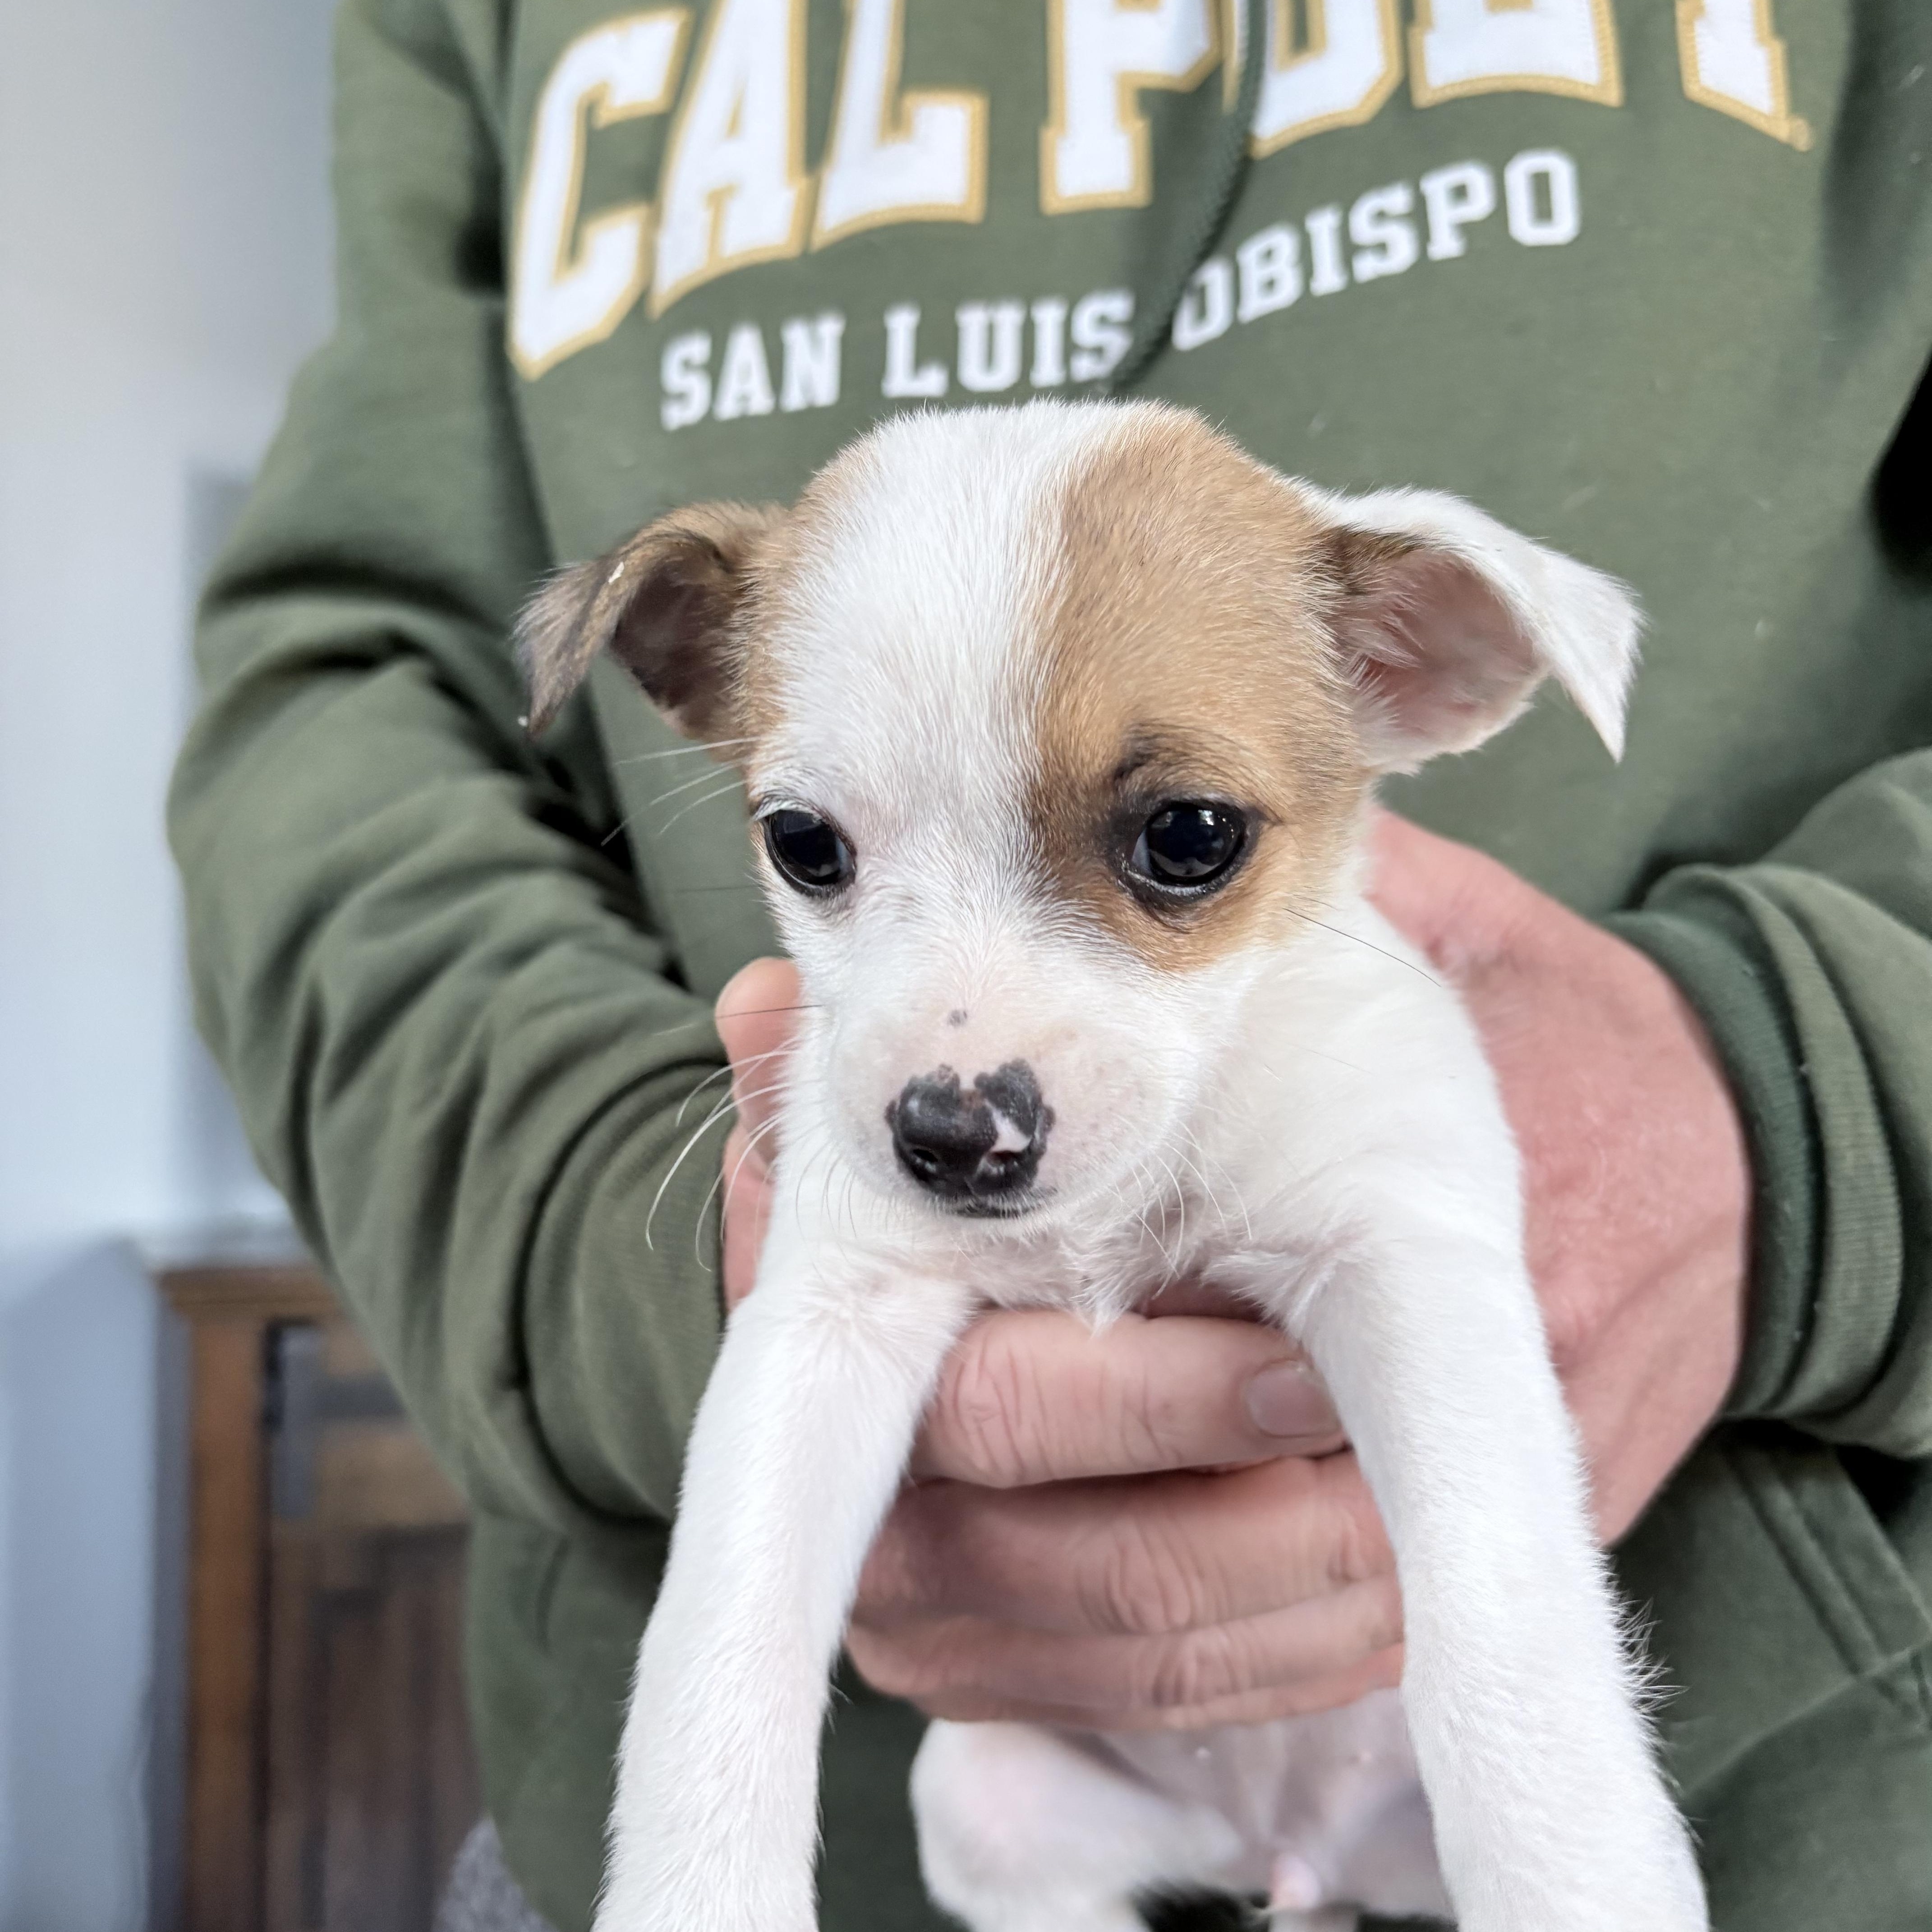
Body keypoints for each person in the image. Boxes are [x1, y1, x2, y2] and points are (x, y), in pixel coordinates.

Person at [169, 4, 1932, 1927]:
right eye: (818, 853)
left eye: (1177, 848)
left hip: (1793, 1796)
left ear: (1429, 666)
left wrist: (1810, 1098)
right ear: (696, 691)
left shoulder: (1366, 849)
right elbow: (342, 703)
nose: (959, 1061)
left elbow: (1466, 1448)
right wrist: (595, 1222)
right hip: (971, 1807)